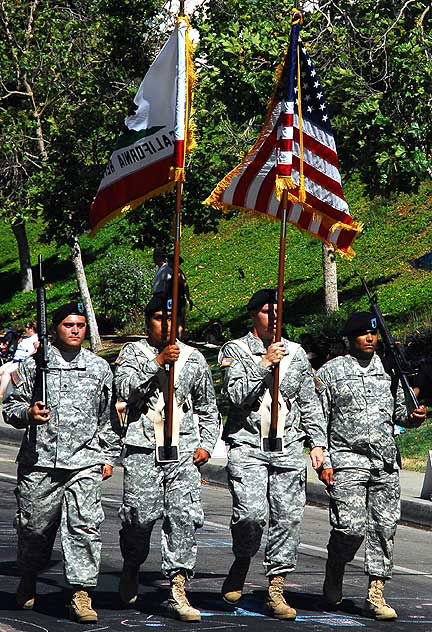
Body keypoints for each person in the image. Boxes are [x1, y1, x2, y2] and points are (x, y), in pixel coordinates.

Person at [2, 302, 121, 624]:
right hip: (40, 463)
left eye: (81, 325)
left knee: (84, 527)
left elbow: (108, 418)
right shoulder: (34, 366)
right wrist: (28, 414)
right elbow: (10, 408)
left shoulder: (98, 368)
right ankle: (28, 575)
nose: (75, 330)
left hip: (84, 461)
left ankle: (81, 594)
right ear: (56, 328)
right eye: (69, 325)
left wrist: (107, 456)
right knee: (34, 528)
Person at [218, 289, 327, 619]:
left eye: (279, 311)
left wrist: (318, 444)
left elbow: (310, 402)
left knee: (288, 518)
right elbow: (235, 395)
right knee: (250, 515)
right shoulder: (235, 350)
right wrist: (265, 363)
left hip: (288, 447)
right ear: (254, 314)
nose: (275, 316)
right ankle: (243, 556)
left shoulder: (296, 354)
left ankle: (275, 588)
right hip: (249, 446)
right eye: (268, 311)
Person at [114, 295, 220, 622]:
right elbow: (124, 389)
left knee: (183, 517)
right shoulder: (132, 354)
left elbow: (208, 408)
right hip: (144, 449)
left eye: (172, 319)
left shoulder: (194, 359)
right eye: (159, 318)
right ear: (148, 322)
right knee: (139, 518)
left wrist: (206, 444)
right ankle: (132, 565)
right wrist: (157, 362)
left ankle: (177, 588)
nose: (166, 325)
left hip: (183, 452)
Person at [315, 311, 427, 620]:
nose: (369, 338)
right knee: (349, 528)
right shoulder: (330, 373)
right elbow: (317, 420)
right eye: (363, 333)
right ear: (350, 339)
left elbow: (401, 414)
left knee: (384, 529)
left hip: (384, 462)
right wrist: (322, 459)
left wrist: (414, 418)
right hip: (347, 460)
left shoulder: (390, 370)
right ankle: (335, 567)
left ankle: (375, 594)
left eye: (373, 334)